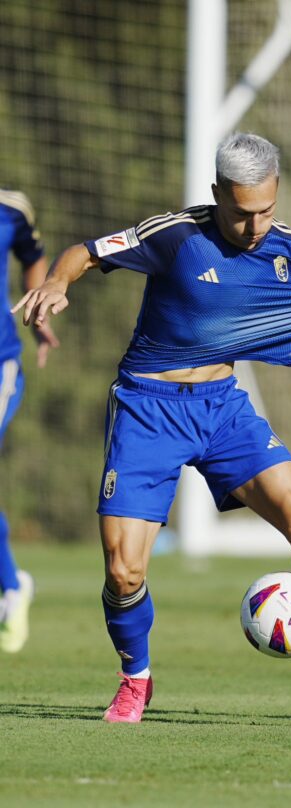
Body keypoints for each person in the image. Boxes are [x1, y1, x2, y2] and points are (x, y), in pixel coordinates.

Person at [13, 132, 291, 723]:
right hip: (148, 410)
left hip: (223, 409)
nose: (254, 225)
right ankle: (136, 680)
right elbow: (86, 251)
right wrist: (55, 281)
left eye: (265, 211)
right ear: (216, 194)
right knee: (123, 568)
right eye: (240, 212)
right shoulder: (175, 235)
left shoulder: (289, 249)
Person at [0, 188, 59, 653]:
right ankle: (12, 582)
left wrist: (37, 308)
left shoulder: (12, 209)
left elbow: (33, 256)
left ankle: (12, 589)